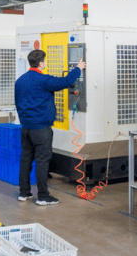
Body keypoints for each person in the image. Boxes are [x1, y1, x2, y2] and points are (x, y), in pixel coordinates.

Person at [14, 49, 85, 206]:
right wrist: (78, 68)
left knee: (26, 159)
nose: (45, 63)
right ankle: (43, 196)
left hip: (25, 128)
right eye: (44, 61)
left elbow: (17, 102)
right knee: (42, 161)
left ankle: (23, 193)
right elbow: (65, 82)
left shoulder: (20, 81)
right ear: (41, 63)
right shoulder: (43, 80)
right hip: (41, 129)